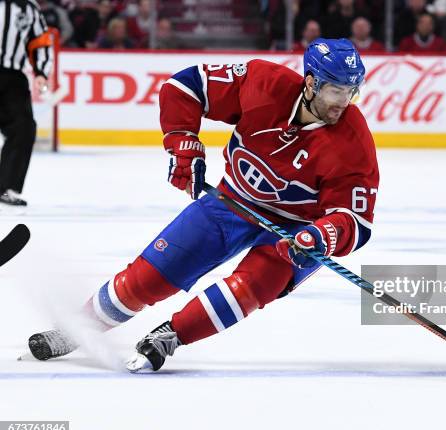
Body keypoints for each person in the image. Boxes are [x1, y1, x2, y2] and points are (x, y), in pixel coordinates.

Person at [28, 38, 380, 373]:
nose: (343, 101)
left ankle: (171, 336)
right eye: (336, 90)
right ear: (310, 83)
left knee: (253, 285)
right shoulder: (262, 82)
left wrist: (323, 236)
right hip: (231, 201)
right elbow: (183, 87)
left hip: (295, 231)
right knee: (146, 280)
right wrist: (182, 143)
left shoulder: (354, 141)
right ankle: (76, 328)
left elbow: (355, 219)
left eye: (351, 91)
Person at [0, 0, 54, 206]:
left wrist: (41, 72)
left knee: (23, 128)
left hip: (12, 76)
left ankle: (5, 187)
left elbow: (39, 41)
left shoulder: (28, 7)